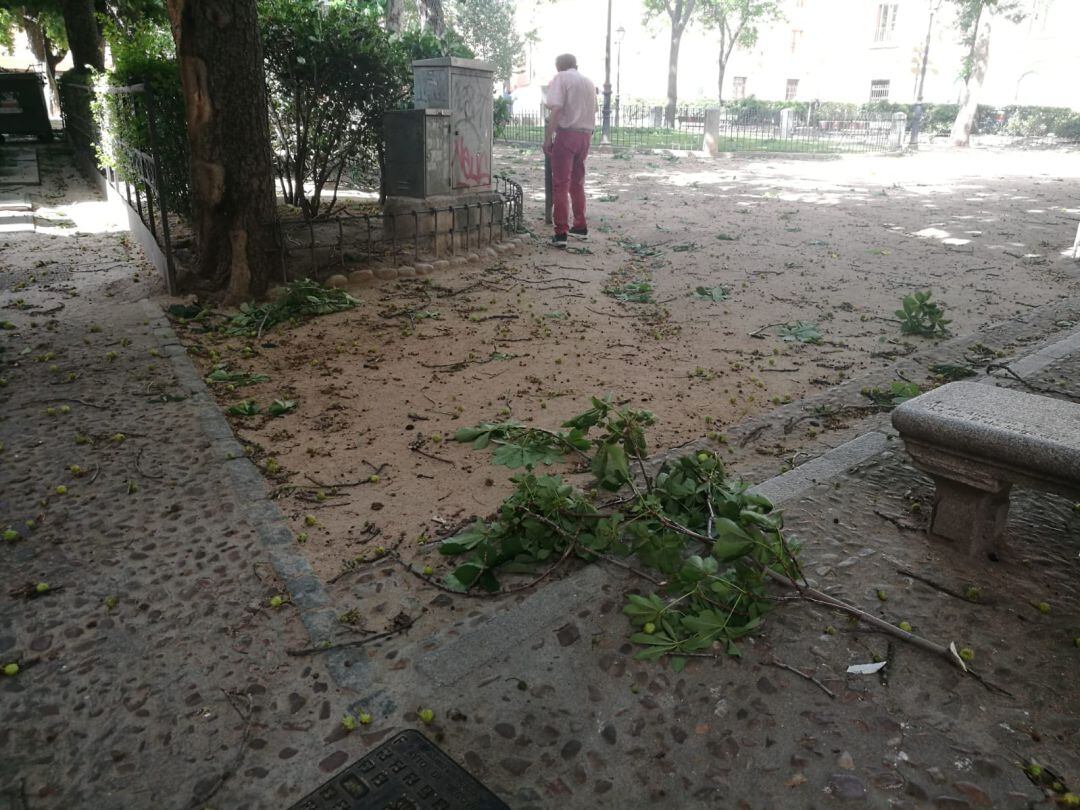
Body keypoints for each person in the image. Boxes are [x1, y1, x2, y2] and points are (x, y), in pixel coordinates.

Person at [543, 54, 596, 248]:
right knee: (577, 182)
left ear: (558, 67)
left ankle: (560, 233)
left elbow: (555, 109)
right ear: (576, 64)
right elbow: (594, 110)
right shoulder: (589, 82)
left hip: (567, 135)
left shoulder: (561, 78)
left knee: (561, 184)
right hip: (585, 136)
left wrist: (548, 139)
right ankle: (580, 226)